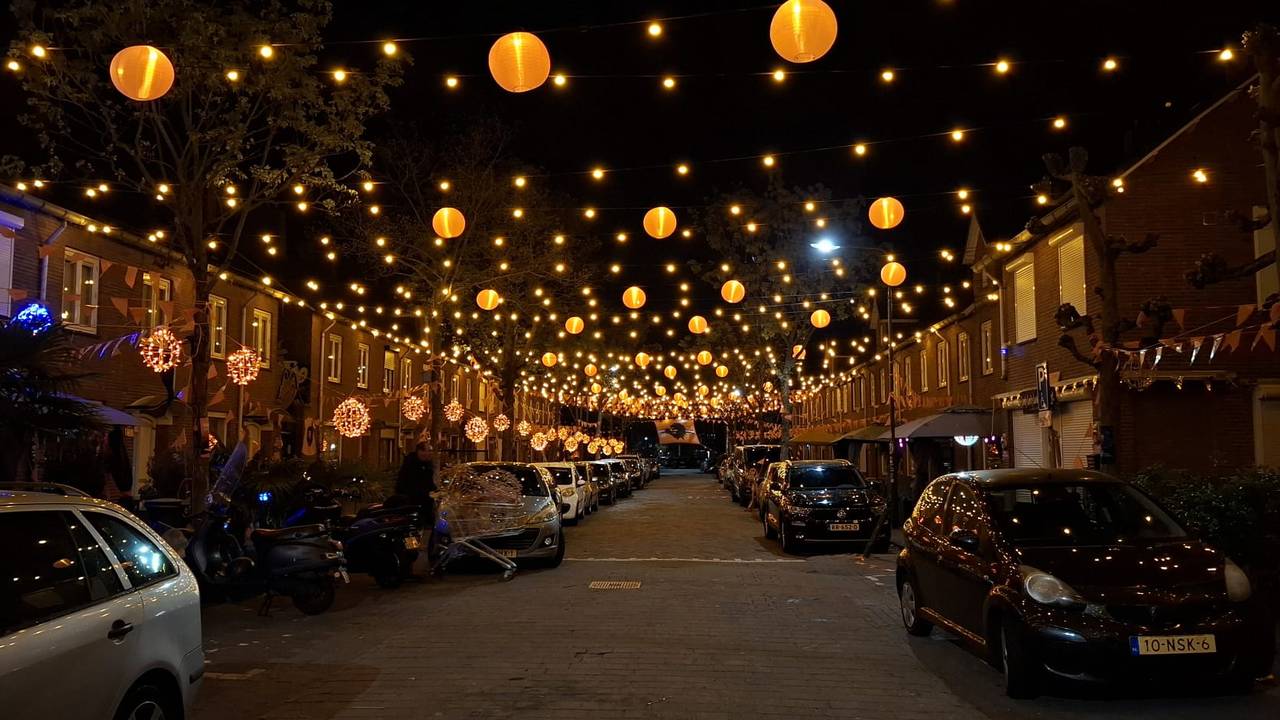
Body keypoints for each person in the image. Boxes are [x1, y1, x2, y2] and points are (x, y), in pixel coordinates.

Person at [394, 441, 437, 508]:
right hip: (412, 503)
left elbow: (429, 482)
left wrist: (436, 491)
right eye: (429, 451)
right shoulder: (411, 465)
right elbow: (410, 485)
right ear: (420, 452)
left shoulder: (426, 465)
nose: (430, 453)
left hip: (424, 501)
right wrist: (427, 494)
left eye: (431, 451)